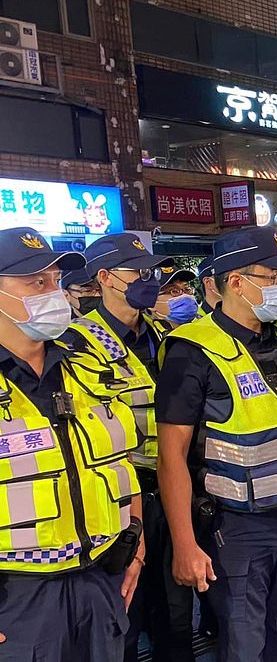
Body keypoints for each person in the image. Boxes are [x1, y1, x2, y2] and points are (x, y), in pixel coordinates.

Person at [156, 227, 277, 662]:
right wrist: (185, 544)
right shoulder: (192, 351)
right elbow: (172, 457)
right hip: (238, 529)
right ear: (236, 282)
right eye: (272, 276)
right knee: (245, 647)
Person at [0, 228, 144, 660]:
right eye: (36, 282)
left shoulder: (87, 366)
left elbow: (122, 461)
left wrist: (135, 543)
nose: (54, 293)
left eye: (56, 281)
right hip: (19, 599)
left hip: (102, 578)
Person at [64, 234, 187, 662]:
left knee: (176, 612)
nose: (148, 279)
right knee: (124, 615)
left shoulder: (168, 335)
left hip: (175, 487)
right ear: (105, 278)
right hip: (122, 501)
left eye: (151, 270)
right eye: (138, 270)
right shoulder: (74, 346)